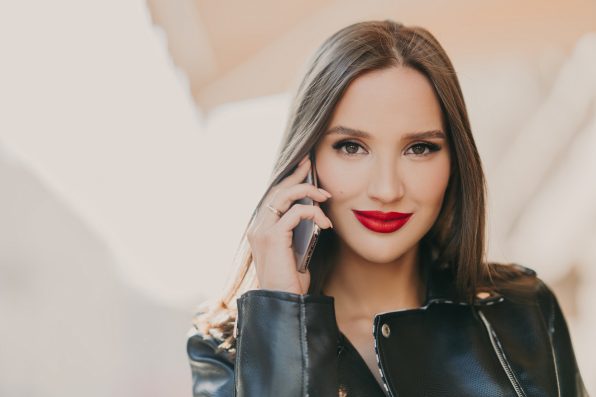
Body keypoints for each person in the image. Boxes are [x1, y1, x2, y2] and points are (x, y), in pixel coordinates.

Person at [186, 19, 588, 396]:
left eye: (419, 148)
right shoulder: (227, 353)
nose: (387, 189)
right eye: (351, 147)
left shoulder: (523, 309)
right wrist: (283, 320)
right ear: (303, 162)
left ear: (455, 162)